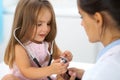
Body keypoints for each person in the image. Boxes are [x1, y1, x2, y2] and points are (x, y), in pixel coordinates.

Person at [2, 0, 73, 80]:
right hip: (23, 79)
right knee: (8, 78)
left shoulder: (48, 43)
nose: (45, 29)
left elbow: (59, 56)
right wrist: (49, 70)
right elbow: (26, 71)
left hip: (43, 78)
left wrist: (66, 58)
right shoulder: (20, 47)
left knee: (65, 77)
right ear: (23, 24)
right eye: (39, 24)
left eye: (48, 23)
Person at [58, 0, 120, 80]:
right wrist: (87, 74)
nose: (82, 23)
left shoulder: (102, 72)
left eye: (82, 17)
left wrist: (91, 76)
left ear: (98, 19)